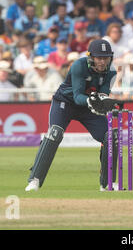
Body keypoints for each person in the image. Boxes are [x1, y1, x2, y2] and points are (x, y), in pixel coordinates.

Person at [25, 39, 119, 192]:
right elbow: (77, 96)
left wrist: (105, 102)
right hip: (65, 103)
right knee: (54, 133)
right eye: (99, 58)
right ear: (91, 57)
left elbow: (103, 95)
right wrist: (92, 100)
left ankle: (107, 183)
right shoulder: (79, 66)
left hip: (87, 107)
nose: (102, 62)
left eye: (106, 58)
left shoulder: (112, 72)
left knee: (110, 136)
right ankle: (34, 180)